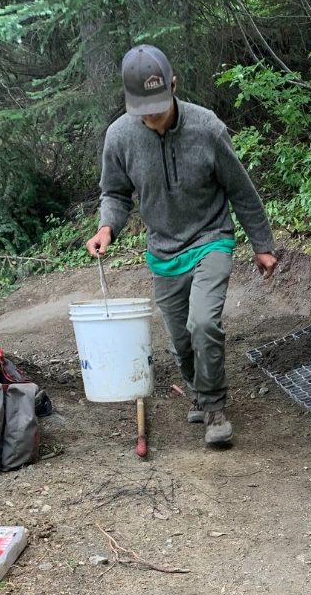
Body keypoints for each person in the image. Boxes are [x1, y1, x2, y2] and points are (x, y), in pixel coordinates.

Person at [86, 45, 277, 448]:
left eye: (159, 104)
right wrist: (107, 228)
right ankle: (197, 387)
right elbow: (116, 195)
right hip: (163, 251)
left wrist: (262, 244)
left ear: (173, 85)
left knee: (203, 323)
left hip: (210, 238)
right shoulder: (119, 137)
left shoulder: (207, 129)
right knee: (181, 340)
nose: (153, 116)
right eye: (144, 109)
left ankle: (213, 407)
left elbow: (240, 190)